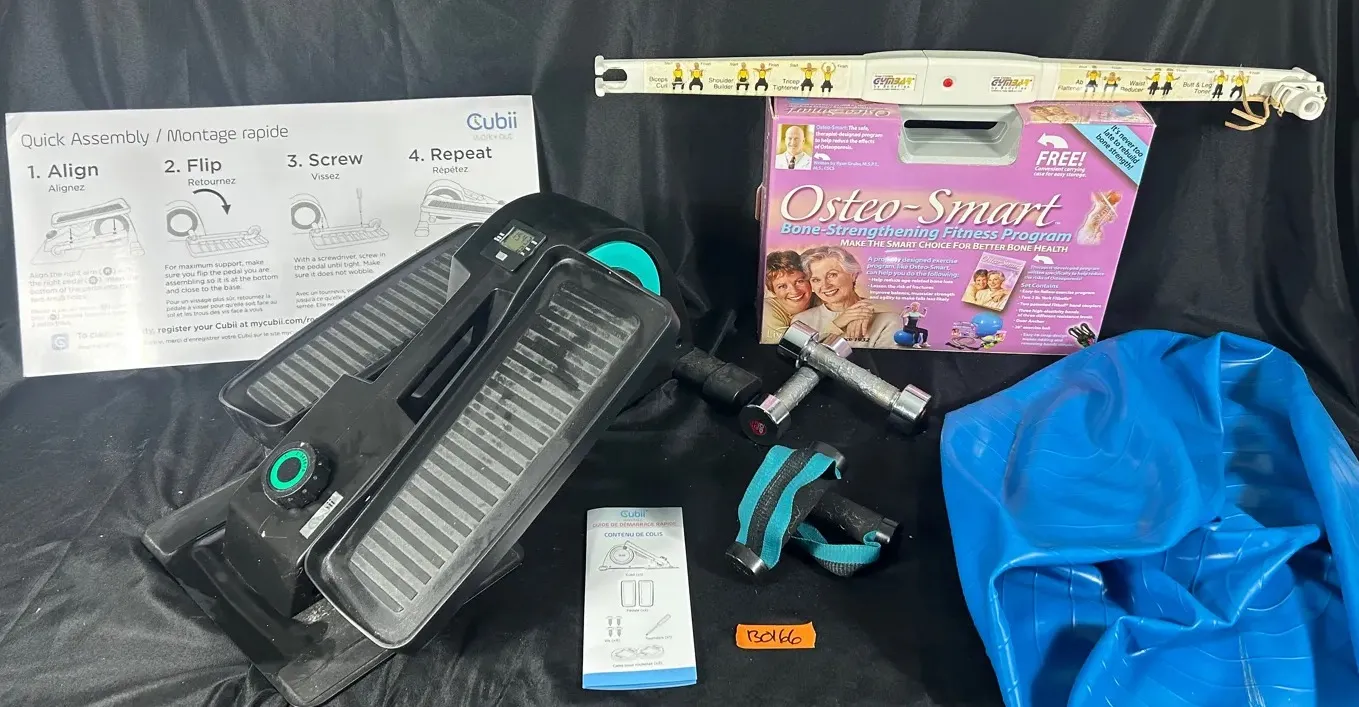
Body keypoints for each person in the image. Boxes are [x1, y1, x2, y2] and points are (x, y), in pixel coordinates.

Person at [790, 245, 899, 347]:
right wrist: (837, 325)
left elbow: (884, 361)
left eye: (832, 275)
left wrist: (863, 311)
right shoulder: (802, 321)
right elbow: (796, 359)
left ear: (853, 275)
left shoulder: (888, 320)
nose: (825, 285)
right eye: (816, 280)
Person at [761, 250, 817, 342]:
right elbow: (792, 345)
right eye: (782, 286)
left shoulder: (823, 299)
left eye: (799, 281)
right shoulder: (767, 310)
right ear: (773, 291)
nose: (794, 291)